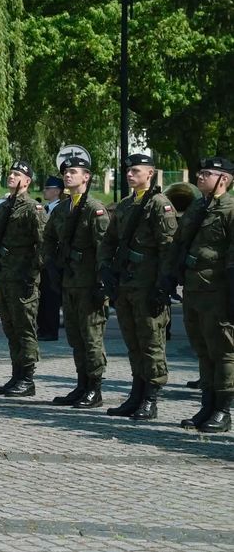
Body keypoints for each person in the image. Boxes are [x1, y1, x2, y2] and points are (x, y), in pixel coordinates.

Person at [98, 153, 178, 420]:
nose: (130, 174)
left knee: (151, 342)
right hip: (126, 284)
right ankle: (136, 392)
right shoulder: (123, 205)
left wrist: (163, 285)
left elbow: (168, 249)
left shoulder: (159, 205)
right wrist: (105, 268)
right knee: (133, 342)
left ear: (150, 173)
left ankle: (151, 398)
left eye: (135, 170)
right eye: (128, 171)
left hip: (147, 285)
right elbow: (108, 241)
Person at [168, 157, 234, 432]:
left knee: (224, 351)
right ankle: (207, 404)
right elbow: (180, 242)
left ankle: (223, 409)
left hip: (218, 290)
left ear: (224, 179)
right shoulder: (198, 205)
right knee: (203, 350)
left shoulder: (231, 209)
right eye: (200, 172)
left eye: (207, 173)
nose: (200, 177)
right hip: (194, 289)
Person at [43, 156, 110, 408]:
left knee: (92, 338)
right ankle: (82, 385)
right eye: (65, 173)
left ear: (87, 177)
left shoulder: (95, 209)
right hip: (69, 282)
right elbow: (48, 238)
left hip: (89, 284)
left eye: (73, 172)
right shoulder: (61, 209)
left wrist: (102, 282)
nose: (67, 176)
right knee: (76, 337)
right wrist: (51, 264)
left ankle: (95, 388)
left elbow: (105, 248)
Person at [0, 161, 48, 397]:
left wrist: (32, 273)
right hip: (5, 275)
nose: (11, 177)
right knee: (10, 327)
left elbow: (44, 246)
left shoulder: (33, 209)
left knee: (24, 328)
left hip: (23, 277)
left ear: (27, 181)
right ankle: (16, 374)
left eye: (17, 174)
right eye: (10, 173)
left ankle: (28, 378)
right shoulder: (4, 207)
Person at [36, 175, 65, 342]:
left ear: (57, 191)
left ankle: (50, 329)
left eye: (48, 188)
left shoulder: (59, 208)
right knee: (42, 294)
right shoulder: (45, 208)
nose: (44, 191)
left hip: (53, 257)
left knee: (51, 295)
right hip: (42, 257)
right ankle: (43, 328)